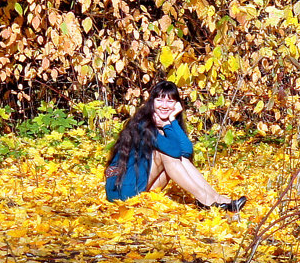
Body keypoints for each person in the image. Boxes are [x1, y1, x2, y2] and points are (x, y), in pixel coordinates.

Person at [104, 80, 246, 212]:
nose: (164, 106)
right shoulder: (144, 124)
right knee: (166, 153)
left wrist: (171, 121)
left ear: (176, 104)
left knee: (180, 158)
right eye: (159, 100)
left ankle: (217, 198)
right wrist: (167, 125)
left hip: (139, 184)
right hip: (122, 190)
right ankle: (205, 200)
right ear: (151, 102)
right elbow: (175, 151)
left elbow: (186, 152)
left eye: (170, 101)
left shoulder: (166, 122)